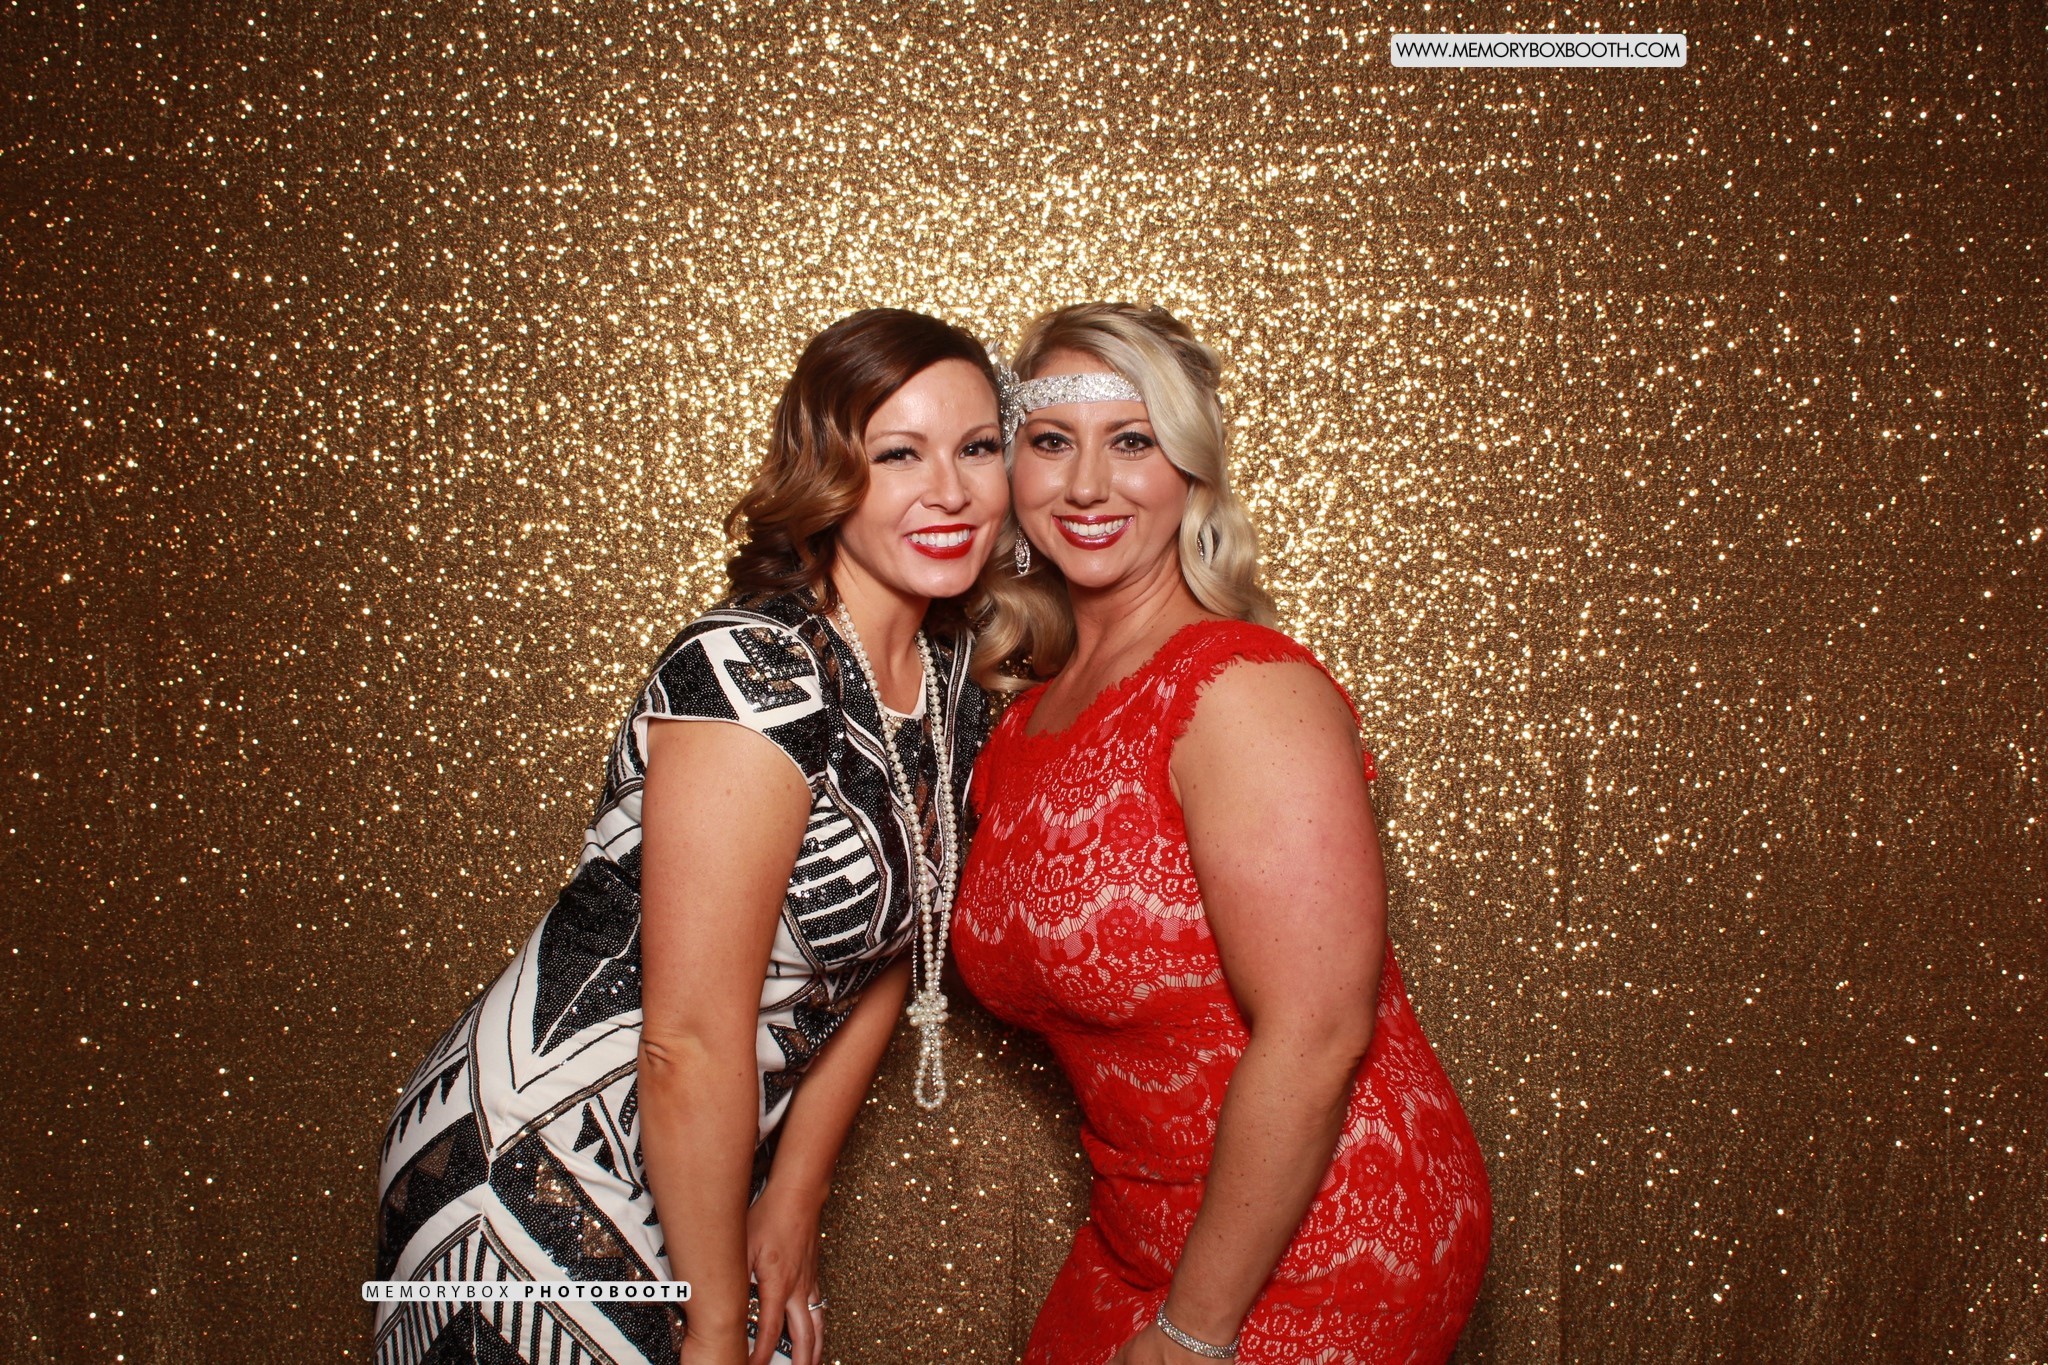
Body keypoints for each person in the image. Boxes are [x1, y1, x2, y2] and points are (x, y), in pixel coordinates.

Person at [372, 308, 1010, 1365]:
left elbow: (892, 956)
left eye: (976, 448)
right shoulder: (752, 671)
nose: (950, 490)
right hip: (531, 1160)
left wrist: (795, 1195)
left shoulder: (955, 682)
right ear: (829, 473)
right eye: (899, 453)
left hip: (701, 1154)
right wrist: (713, 1326)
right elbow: (687, 1041)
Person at [955, 303, 1493, 1364]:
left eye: (1132, 441)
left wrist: (1194, 1331)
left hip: (1325, 1231)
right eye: (1051, 442)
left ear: (1190, 469)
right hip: (1138, 1228)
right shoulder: (1019, 725)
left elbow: (1318, 1029)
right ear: (1010, 470)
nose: (1087, 485)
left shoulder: (1242, 687)